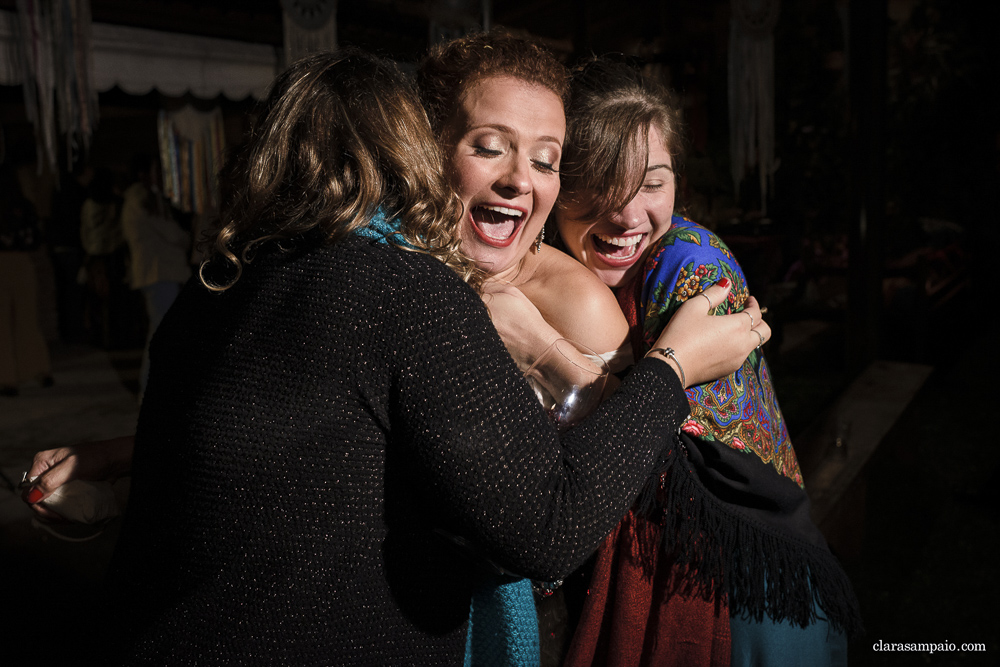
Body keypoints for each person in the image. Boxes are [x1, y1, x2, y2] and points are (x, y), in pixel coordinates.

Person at [23, 49, 768, 665]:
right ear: (423, 150)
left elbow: (312, 433)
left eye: (547, 158)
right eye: (487, 145)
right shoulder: (406, 287)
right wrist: (673, 365)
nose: (520, 177)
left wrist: (125, 455)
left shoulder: (221, 281)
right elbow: (544, 523)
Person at [552, 56, 862, 667]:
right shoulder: (560, 273)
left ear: (679, 184)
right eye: (600, 179)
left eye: (652, 182)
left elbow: (665, 460)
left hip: (748, 598)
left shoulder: (690, 267)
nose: (626, 214)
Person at [120, 152, 192, 400]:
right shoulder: (140, 199)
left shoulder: (145, 199)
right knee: (162, 333)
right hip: (158, 274)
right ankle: (150, 391)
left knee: (163, 332)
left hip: (160, 273)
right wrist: (188, 237)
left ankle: (154, 390)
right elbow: (171, 234)